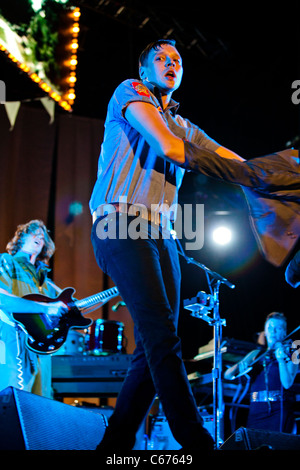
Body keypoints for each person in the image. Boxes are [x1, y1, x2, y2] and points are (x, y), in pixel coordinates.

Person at [90, 39, 246, 452]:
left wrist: (272, 179)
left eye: (176, 60)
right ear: (144, 72)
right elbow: (168, 147)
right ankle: (197, 444)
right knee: (162, 335)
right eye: (159, 59)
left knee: (155, 344)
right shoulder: (131, 91)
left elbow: (231, 161)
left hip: (163, 233)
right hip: (119, 222)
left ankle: (113, 449)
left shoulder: (183, 125)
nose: (169, 64)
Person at [0, 220, 66, 398]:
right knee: (13, 403)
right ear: (20, 238)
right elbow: (2, 298)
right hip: (13, 344)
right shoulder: (6, 261)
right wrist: (45, 308)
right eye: (34, 233)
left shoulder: (46, 281)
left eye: (43, 236)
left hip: (41, 350)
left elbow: (70, 308)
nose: (39, 237)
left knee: (40, 406)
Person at [224, 312, 298, 433]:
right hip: (256, 411)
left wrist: (280, 360)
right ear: (264, 331)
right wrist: (240, 367)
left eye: (278, 328)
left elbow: (287, 383)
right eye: (269, 328)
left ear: (284, 332)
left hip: (279, 411)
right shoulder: (256, 354)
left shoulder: (294, 351)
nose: (273, 331)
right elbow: (227, 375)